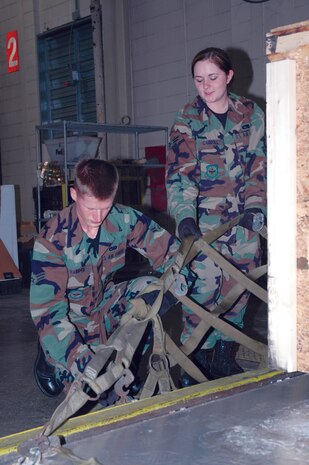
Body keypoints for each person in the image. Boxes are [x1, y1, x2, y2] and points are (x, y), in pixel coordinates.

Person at [30, 158, 182, 399]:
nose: (98, 217)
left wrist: (177, 282)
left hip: (104, 304)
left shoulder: (123, 218)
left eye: (106, 207)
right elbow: (48, 312)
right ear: (73, 194)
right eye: (90, 208)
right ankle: (50, 360)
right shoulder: (51, 240)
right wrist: (84, 362)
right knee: (91, 391)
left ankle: (127, 362)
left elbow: (169, 251)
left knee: (153, 290)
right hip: (70, 319)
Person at [166, 47, 267, 383]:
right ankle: (193, 365)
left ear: (228, 76)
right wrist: (184, 218)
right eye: (199, 79)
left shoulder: (251, 113)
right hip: (204, 225)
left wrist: (256, 206)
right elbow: (181, 175)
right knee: (201, 294)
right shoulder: (186, 120)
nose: (206, 86)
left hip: (243, 224)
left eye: (212, 78)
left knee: (237, 291)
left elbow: (259, 167)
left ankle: (224, 357)